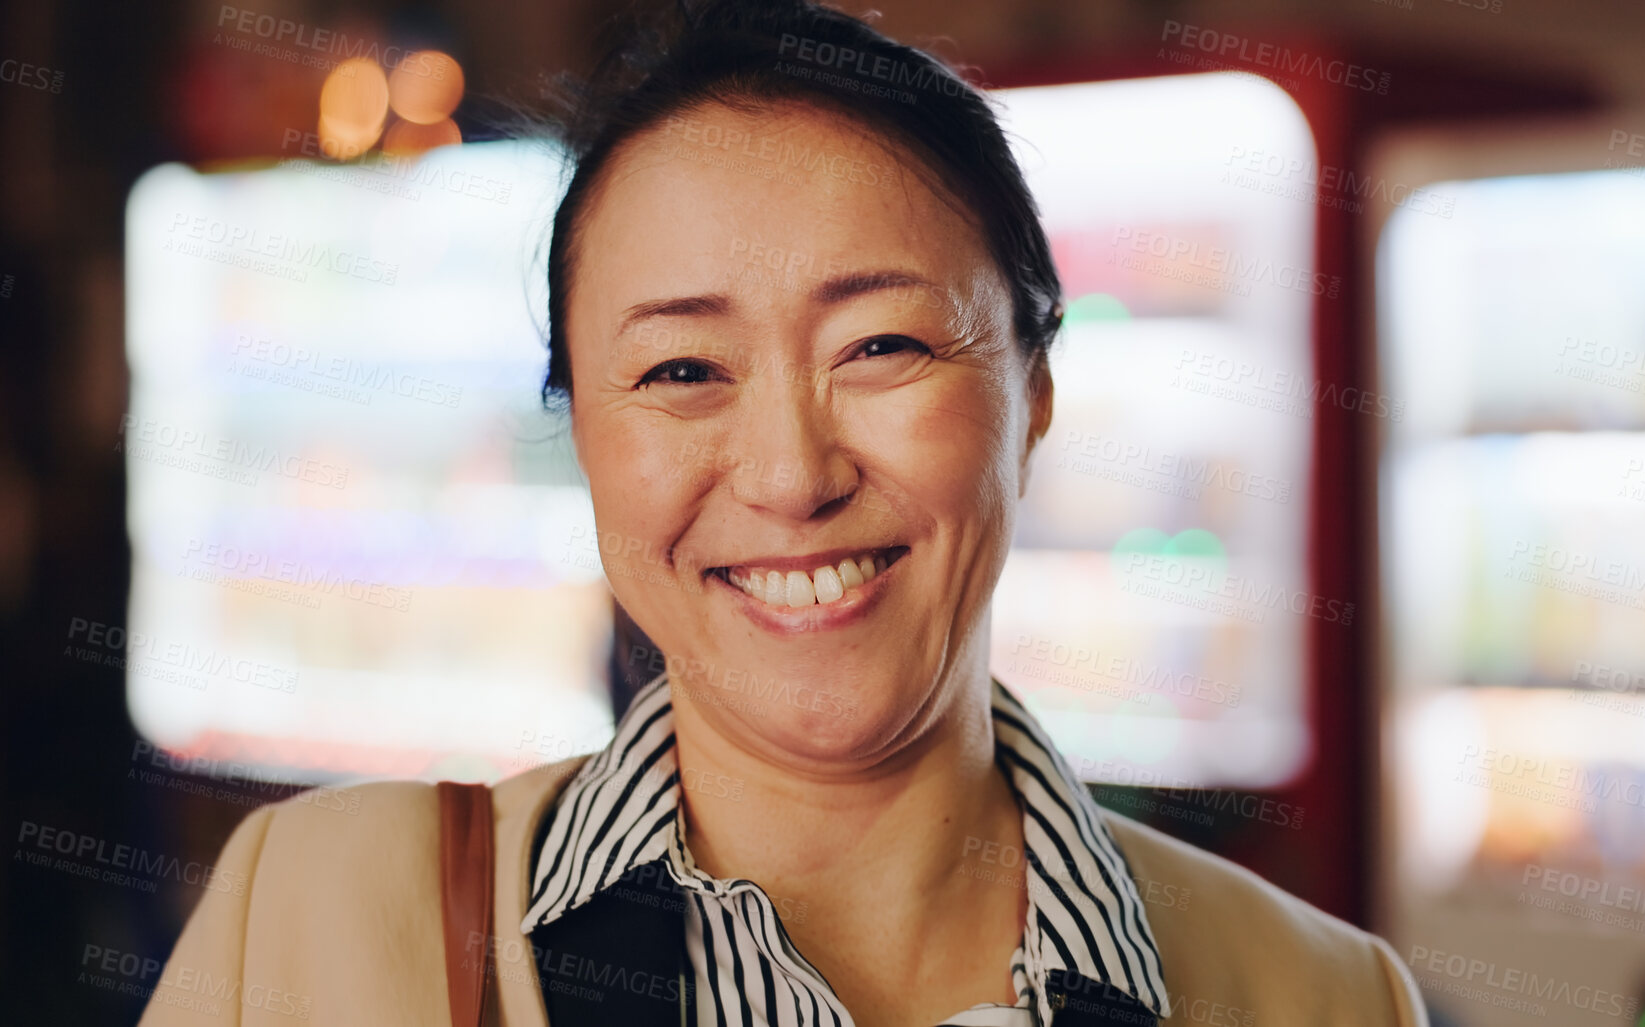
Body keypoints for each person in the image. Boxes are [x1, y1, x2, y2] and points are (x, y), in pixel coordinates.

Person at [138, 1, 1429, 1024]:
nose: (789, 475)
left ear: (1033, 394)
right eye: (682, 371)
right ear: (582, 432)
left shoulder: (1320, 999)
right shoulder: (316, 927)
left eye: (879, 348)